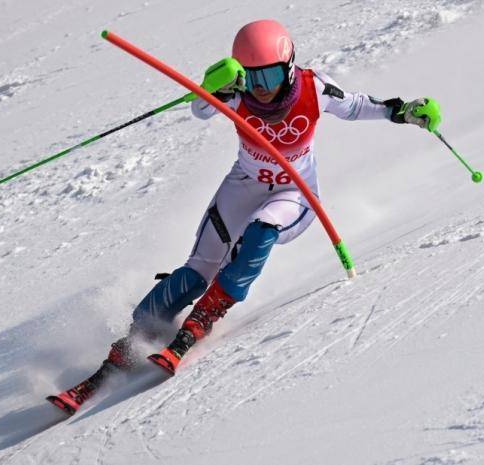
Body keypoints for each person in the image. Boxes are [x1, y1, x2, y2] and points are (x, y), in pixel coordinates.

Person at [48, 19, 441, 413]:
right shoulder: (237, 95)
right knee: (195, 270)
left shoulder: (312, 87)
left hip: (293, 193)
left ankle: (202, 321)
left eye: (269, 75)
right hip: (243, 184)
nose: (262, 87)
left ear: (287, 66)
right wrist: (213, 85)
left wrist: (403, 112)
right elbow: (200, 108)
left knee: (260, 232)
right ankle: (126, 348)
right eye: (252, 77)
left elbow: (355, 105)